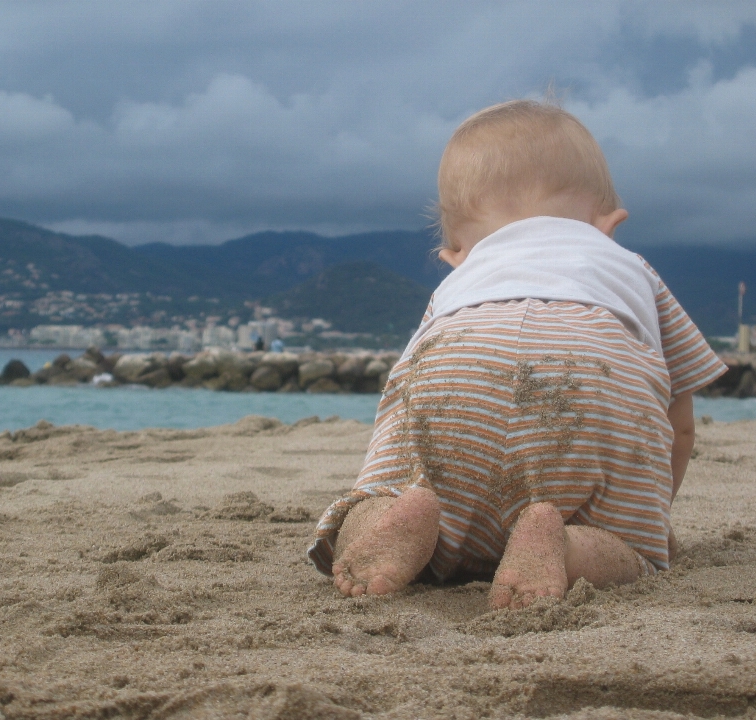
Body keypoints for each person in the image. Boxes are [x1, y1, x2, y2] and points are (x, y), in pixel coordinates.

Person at [306, 100, 726, 610]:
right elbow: (678, 424)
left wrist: (391, 480)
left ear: (453, 252)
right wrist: (645, 521)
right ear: (608, 222)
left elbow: (404, 390)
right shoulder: (632, 269)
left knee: (388, 489)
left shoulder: (461, 282)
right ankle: (566, 545)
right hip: (590, 372)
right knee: (628, 551)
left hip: (460, 360)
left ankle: (398, 515)